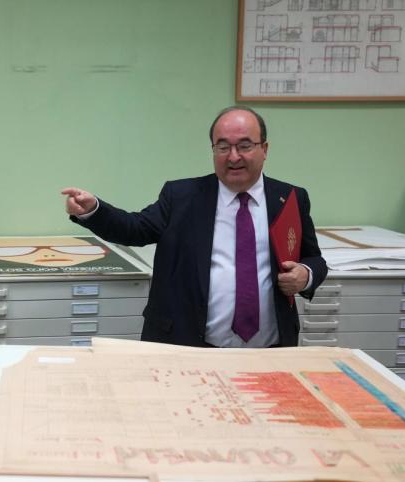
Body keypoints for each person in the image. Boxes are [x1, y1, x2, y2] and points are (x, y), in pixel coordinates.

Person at [62, 106, 327, 348]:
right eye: (222, 147)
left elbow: (314, 258)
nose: (233, 156)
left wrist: (306, 274)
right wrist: (94, 210)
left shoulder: (290, 198)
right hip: (189, 346)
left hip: (270, 351)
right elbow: (135, 228)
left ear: (265, 149)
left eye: (244, 146)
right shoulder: (182, 197)